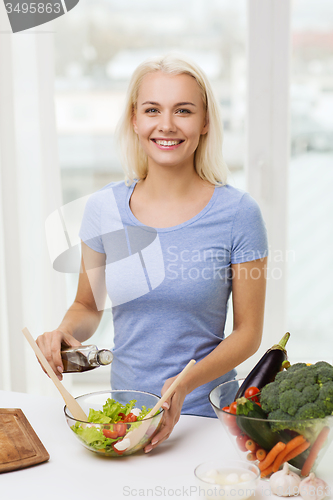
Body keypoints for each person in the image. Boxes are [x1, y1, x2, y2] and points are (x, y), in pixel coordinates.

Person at [37, 54, 268, 454]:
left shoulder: (239, 214)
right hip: (123, 418)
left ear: (205, 122)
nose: (167, 124)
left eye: (183, 110)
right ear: (135, 120)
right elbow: (86, 304)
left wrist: (186, 383)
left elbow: (248, 333)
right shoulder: (104, 209)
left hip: (207, 421)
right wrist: (65, 334)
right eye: (152, 110)